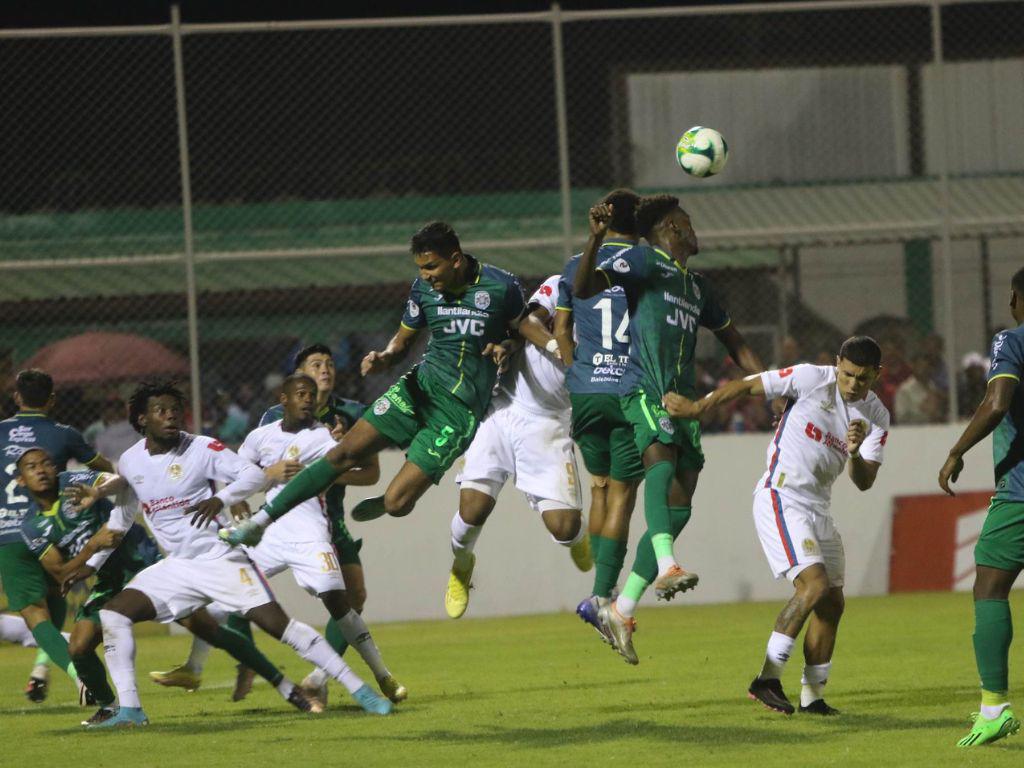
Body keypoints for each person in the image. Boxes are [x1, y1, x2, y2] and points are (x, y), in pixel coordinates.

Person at [79, 380, 392, 728]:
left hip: (219, 558)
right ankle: (131, 711)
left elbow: (252, 475)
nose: (171, 416)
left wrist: (221, 499)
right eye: (160, 411)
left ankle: (361, 690)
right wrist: (90, 564)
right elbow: (120, 522)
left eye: (175, 410)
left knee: (279, 627)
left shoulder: (201, 447)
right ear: (142, 419)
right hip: (177, 566)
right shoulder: (130, 461)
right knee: (114, 614)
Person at [220, 221, 528, 545]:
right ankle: (259, 523)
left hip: (457, 412)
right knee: (342, 455)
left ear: (455, 259)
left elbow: (523, 331)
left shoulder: (500, 286)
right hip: (419, 387)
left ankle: (388, 500)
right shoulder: (423, 289)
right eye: (420, 268)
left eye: (431, 267)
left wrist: (507, 346)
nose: (425, 275)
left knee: (397, 504)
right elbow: (403, 341)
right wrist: (385, 357)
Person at [573, 196, 764, 664]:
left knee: (680, 505)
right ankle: (666, 564)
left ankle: (621, 609)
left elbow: (735, 342)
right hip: (643, 387)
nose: (695, 230)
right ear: (672, 228)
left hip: (685, 404)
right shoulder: (645, 261)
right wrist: (595, 240)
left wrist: (768, 386)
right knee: (657, 458)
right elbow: (585, 287)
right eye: (688, 223)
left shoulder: (697, 287)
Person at [663, 335, 889, 715]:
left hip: (819, 508)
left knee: (832, 603)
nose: (853, 384)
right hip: (782, 496)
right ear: (837, 363)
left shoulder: (876, 416)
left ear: (877, 375)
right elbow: (748, 385)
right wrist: (697, 408)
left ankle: (812, 697)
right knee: (814, 585)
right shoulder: (810, 378)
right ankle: (767, 679)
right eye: (847, 374)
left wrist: (854, 453)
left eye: (862, 378)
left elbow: (865, 481)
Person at [153, 343, 383, 709]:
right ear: (296, 379)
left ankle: (320, 678)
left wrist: (328, 470)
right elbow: (248, 469)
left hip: (327, 520)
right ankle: (219, 663)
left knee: (352, 597)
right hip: (278, 520)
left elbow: (371, 474)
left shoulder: (352, 413)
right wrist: (244, 495)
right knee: (235, 585)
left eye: (329, 364)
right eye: (316, 364)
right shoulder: (274, 418)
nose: (325, 370)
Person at [239, 374, 405, 704]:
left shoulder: (324, 439)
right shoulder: (260, 436)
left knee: (340, 603)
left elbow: (339, 470)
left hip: (310, 535)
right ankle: (218, 664)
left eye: (311, 395)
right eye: (301, 393)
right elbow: (237, 474)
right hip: (269, 534)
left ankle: (382, 674)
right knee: (222, 585)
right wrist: (246, 496)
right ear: (283, 399)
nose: (307, 399)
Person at [444, 274, 592, 619]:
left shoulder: (616, 321)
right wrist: (547, 347)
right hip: (503, 405)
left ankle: (579, 536)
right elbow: (528, 321)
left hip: (549, 422)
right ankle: (461, 565)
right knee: (473, 510)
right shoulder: (564, 284)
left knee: (564, 528)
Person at [938, 267, 1024, 747]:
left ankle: (994, 709)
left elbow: (996, 403)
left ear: (1015, 298)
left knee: (990, 587)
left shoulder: (1012, 341)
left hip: (1020, 494)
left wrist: (957, 451)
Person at [554, 188, 644, 640]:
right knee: (623, 495)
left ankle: (598, 586)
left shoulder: (575, 266)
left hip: (587, 389)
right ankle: (602, 595)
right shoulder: (648, 264)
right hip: (628, 389)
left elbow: (560, 328)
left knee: (600, 487)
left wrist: (576, 371)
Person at [0, 369, 114, 703]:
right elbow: (106, 470)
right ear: (52, 399)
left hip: (9, 533)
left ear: (16, 397)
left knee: (35, 613)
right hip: (52, 528)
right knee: (57, 593)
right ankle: (41, 668)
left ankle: (79, 677)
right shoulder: (65, 434)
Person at [18, 446, 154, 725]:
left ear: (56, 468)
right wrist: (93, 545)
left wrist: (99, 491)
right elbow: (60, 572)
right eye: (32, 467)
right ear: (21, 480)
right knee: (78, 647)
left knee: (193, 618)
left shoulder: (73, 481)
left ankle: (230, 656)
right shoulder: (31, 526)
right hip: (108, 578)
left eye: (46, 463)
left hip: (141, 558)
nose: (41, 470)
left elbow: (117, 481)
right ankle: (109, 707)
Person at [894, 353, 946, 424]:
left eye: (927, 367)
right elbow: (901, 418)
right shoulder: (904, 390)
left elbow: (938, 414)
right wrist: (922, 412)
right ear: (914, 367)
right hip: (914, 430)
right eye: (921, 366)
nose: (925, 370)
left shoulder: (933, 387)